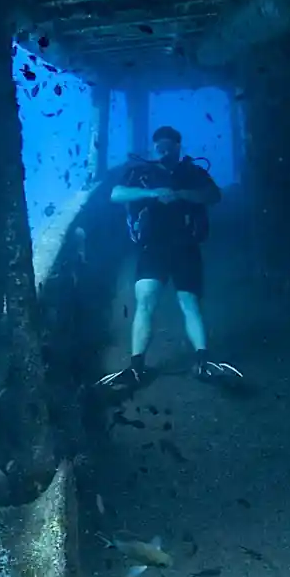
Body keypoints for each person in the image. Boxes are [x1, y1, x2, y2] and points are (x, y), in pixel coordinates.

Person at [96, 126, 243, 391]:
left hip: (186, 245)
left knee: (189, 303)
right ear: (153, 148)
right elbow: (116, 194)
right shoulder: (141, 173)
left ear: (178, 146)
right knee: (145, 301)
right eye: (159, 146)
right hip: (153, 246)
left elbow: (214, 195)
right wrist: (153, 193)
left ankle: (202, 361)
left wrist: (182, 194)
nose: (163, 150)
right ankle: (136, 366)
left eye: (168, 145)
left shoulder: (194, 172)